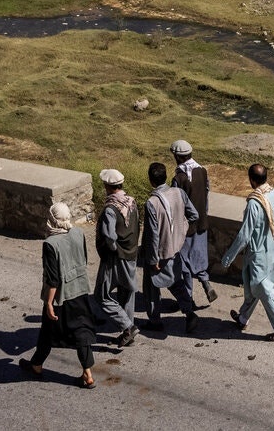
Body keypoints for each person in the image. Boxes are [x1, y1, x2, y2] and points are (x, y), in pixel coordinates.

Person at [21, 202, 97, 388]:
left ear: (52, 220)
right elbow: (84, 259)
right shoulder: (79, 233)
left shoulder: (50, 244)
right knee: (81, 331)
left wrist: (48, 302)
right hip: (80, 289)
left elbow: (53, 279)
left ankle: (37, 366)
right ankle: (88, 374)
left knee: (48, 331)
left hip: (62, 296)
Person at [220, 162, 274, 341]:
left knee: (264, 289)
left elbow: (244, 235)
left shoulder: (254, 203)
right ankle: (243, 318)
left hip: (258, 253)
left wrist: (228, 257)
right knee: (254, 288)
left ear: (251, 180)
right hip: (272, 249)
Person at [139, 160, 200, 333]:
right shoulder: (178, 193)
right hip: (176, 248)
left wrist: (152, 259)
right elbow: (193, 215)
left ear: (151, 180)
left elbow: (152, 235)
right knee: (176, 283)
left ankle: (155, 321)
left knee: (151, 289)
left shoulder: (152, 203)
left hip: (160, 254)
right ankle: (189, 313)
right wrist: (181, 231)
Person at [91, 168, 141, 347]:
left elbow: (109, 236)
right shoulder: (132, 202)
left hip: (115, 258)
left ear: (107, 186)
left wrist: (112, 250)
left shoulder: (110, 209)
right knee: (127, 292)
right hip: (131, 254)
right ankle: (128, 333)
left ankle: (128, 326)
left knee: (101, 295)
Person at [171, 139, 218, 305]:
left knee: (184, 262)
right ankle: (205, 282)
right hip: (202, 222)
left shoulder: (179, 178)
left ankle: (188, 297)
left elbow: (176, 204)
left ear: (178, 157)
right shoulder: (202, 171)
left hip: (186, 226)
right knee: (200, 255)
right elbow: (206, 194)